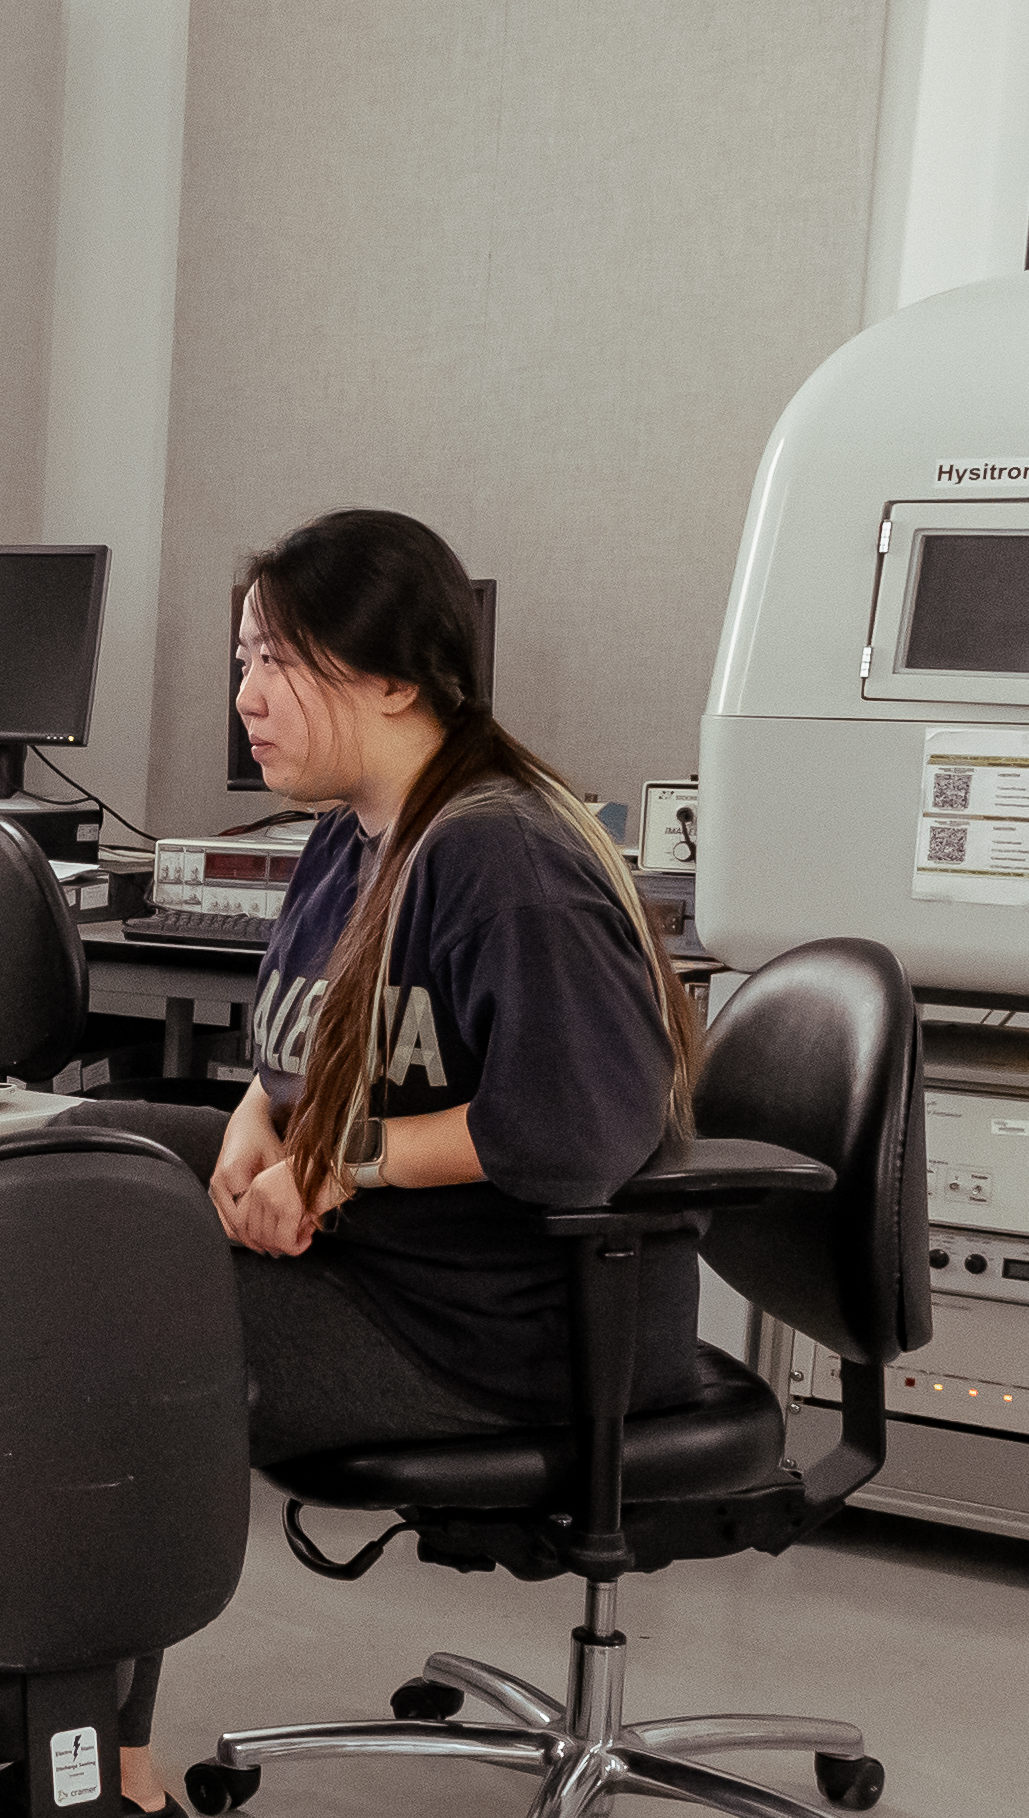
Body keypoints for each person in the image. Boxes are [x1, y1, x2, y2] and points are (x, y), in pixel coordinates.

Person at [74, 506, 704, 1692]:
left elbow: (578, 1133)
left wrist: (337, 1163)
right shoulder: (350, 839)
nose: (249, 697)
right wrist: (259, 1130)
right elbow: (295, 1058)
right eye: (245, 662)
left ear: (402, 682)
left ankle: (106, 1747)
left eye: (282, 664)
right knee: (79, 1156)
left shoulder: (501, 859)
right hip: (385, 1270)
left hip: (497, 1336)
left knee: (106, 1300)